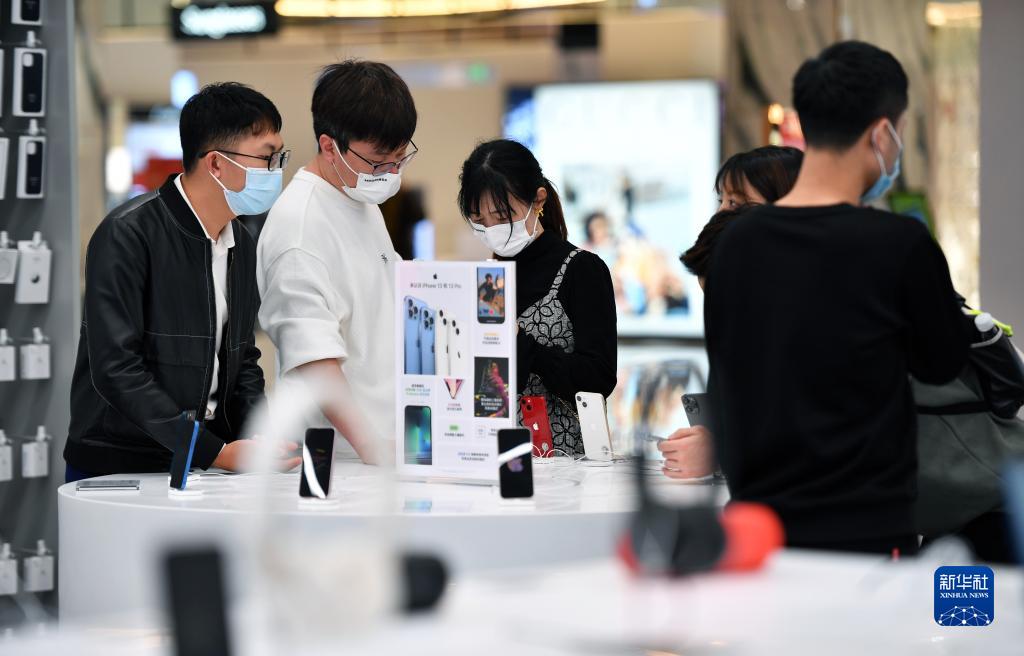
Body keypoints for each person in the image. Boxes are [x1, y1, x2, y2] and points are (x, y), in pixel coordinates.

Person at [703, 41, 974, 555]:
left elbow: (726, 375)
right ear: (882, 132)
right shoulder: (900, 244)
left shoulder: (736, 244)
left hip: (760, 531)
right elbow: (942, 363)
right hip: (866, 527)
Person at [65, 83, 300, 481]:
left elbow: (242, 359)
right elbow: (117, 369)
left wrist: (260, 437)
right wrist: (212, 452)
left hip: (206, 460)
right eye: (267, 157)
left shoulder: (241, 241)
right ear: (216, 164)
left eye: (279, 156)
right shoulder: (128, 234)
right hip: (122, 463)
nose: (276, 170)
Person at [257, 60, 417, 464]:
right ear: (330, 146)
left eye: (400, 157)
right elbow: (314, 361)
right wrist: (371, 446)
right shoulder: (299, 226)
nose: (391, 172)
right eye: (379, 162)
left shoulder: (358, 198)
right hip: (341, 459)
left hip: (387, 446)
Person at [458, 139, 617, 455]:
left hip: (563, 457)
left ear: (538, 200)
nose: (492, 229)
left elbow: (598, 380)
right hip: (490, 451)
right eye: (479, 220)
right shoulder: (486, 279)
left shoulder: (581, 269)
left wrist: (523, 344)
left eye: (502, 216)